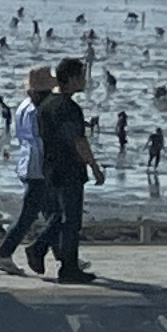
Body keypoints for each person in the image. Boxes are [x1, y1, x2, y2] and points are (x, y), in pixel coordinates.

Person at [33, 56, 101, 281]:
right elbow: (78, 141)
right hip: (69, 168)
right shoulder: (69, 108)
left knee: (60, 216)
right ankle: (65, 266)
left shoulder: (46, 105)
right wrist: (94, 166)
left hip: (50, 166)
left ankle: (44, 251)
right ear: (71, 79)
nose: (84, 81)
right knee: (71, 220)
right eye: (81, 77)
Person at [0, 65, 56, 275]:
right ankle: (3, 253)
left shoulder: (23, 108)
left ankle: (65, 254)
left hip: (28, 164)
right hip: (40, 168)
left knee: (50, 213)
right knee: (31, 215)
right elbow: (44, 141)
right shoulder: (39, 111)